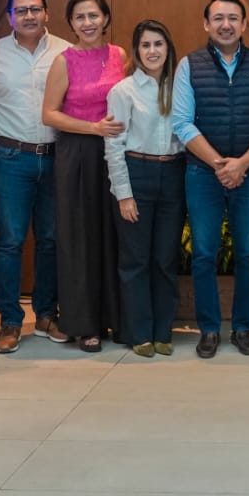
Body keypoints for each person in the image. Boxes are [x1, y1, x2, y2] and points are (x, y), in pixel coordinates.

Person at [171, 0, 249, 359]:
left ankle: (243, 327)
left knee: (248, 254)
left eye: (233, 18)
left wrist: (242, 164)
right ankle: (208, 329)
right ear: (206, 24)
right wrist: (221, 164)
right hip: (203, 174)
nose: (226, 24)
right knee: (204, 254)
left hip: (248, 175)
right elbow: (182, 123)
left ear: (244, 25)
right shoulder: (190, 65)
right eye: (218, 18)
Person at [0, 0, 71, 355]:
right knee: (11, 241)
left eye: (36, 9)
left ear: (47, 14)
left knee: (50, 239)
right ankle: (10, 322)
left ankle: (47, 314)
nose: (29, 16)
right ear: (9, 17)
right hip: (11, 158)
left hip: (55, 156)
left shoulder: (66, 51)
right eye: (21, 10)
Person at [42, 0, 128, 353]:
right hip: (77, 154)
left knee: (115, 236)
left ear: (106, 18)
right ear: (71, 23)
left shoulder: (121, 55)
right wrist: (92, 128)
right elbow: (49, 114)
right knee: (80, 239)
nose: (88, 23)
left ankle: (117, 318)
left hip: (116, 154)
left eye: (94, 15)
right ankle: (85, 324)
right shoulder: (64, 61)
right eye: (80, 17)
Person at [104, 19, 185, 358]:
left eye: (159, 44)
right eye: (146, 45)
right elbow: (113, 145)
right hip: (137, 173)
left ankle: (163, 331)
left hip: (174, 174)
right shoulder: (123, 91)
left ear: (168, 49)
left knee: (165, 258)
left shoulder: (181, 87)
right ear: (137, 52)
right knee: (135, 260)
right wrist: (123, 193)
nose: (153, 51)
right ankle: (139, 333)